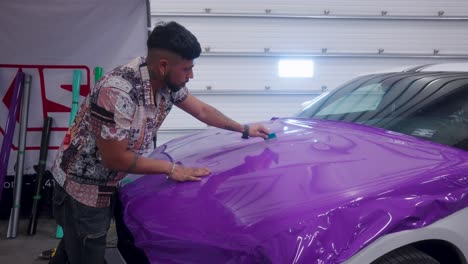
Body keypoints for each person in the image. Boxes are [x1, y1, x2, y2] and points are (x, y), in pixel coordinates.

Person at [48, 21, 269, 264]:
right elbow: (115, 157)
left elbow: (202, 111)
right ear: (164, 66)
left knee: (73, 248)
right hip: (82, 189)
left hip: (109, 180)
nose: (191, 75)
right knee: (87, 252)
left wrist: (244, 129)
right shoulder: (118, 91)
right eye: (186, 69)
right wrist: (173, 169)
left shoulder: (167, 84)